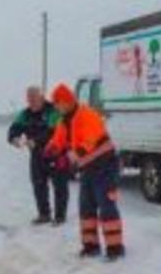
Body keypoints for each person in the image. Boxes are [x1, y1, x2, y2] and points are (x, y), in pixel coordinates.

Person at [45, 83, 125, 261]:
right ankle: (90, 246)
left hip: (105, 166)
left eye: (57, 103)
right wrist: (51, 148)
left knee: (106, 206)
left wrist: (76, 154)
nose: (56, 107)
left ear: (66, 101)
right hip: (88, 169)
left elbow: (90, 139)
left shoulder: (87, 115)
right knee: (86, 207)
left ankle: (115, 248)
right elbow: (58, 138)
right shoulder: (64, 120)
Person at [8, 86, 69, 226]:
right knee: (38, 185)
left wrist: (36, 141)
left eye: (34, 99)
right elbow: (14, 128)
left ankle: (60, 216)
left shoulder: (53, 111)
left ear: (42, 97)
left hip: (56, 154)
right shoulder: (25, 114)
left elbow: (53, 131)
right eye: (28, 99)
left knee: (59, 186)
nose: (31, 102)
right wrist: (14, 139)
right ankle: (44, 214)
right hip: (37, 155)